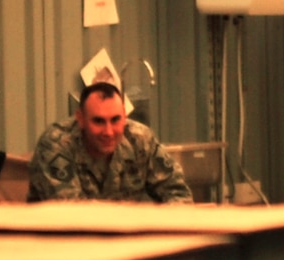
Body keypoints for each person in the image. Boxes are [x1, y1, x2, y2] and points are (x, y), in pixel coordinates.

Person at [27, 81, 193, 204]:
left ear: (125, 116)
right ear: (81, 119)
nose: (108, 132)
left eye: (115, 120)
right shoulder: (57, 145)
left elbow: (177, 192)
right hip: (62, 245)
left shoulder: (140, 139)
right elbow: (71, 213)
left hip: (128, 241)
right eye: (98, 121)